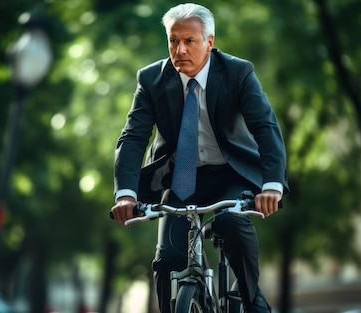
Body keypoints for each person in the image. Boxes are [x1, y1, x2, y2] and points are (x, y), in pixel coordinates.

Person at [110, 3, 289, 312]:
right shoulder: (151, 79)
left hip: (231, 174)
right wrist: (126, 193)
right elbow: (133, 137)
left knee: (232, 224)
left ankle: (252, 299)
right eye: (173, 40)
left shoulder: (238, 72)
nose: (179, 49)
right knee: (168, 259)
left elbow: (265, 126)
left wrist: (272, 185)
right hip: (182, 178)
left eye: (189, 41)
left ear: (209, 42)